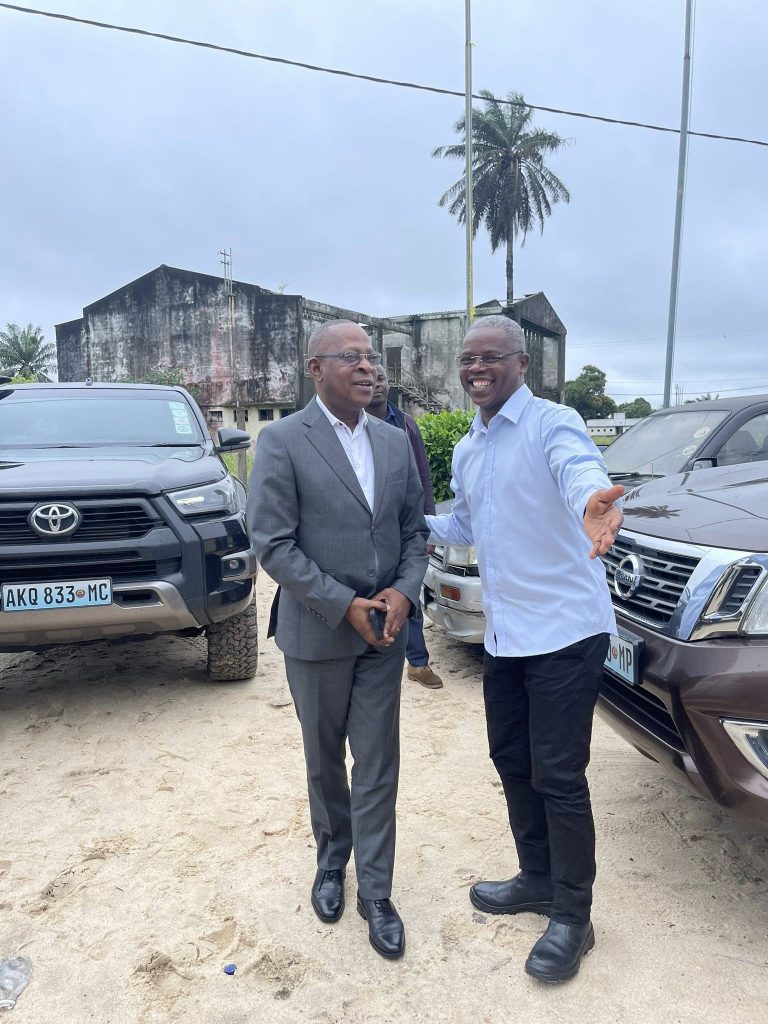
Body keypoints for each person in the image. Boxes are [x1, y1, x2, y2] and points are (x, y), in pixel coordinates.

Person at [426, 315, 624, 984]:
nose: (476, 368)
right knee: (512, 758)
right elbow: (465, 520)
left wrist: (593, 502)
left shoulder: (552, 424)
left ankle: (574, 915)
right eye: (468, 359)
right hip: (507, 635)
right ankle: (537, 878)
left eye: (491, 357)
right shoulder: (470, 446)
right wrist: (408, 523)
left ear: (521, 364)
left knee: (559, 775)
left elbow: (578, 472)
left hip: (565, 631)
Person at [248, 320, 429, 961]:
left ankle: (376, 892)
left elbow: (414, 530)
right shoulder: (281, 441)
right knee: (325, 760)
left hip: (383, 632)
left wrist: (403, 591)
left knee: (377, 763)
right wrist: (342, 603)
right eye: (350, 357)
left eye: (369, 357)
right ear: (314, 369)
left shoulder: (394, 440)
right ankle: (332, 862)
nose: (366, 367)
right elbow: (272, 543)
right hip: (318, 631)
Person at [367, 368, 443, 689]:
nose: (376, 384)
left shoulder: (406, 424)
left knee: (408, 589)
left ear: (389, 384)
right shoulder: (350, 424)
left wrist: (427, 524)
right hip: (366, 526)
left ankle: (418, 662)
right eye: (371, 379)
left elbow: (422, 476)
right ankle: (375, 655)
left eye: (381, 378)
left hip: (403, 524)